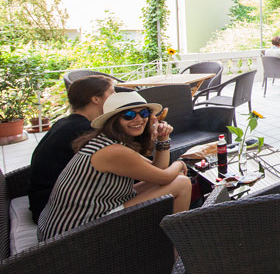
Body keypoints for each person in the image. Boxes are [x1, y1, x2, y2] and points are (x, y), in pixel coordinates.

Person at [37, 92, 192, 241]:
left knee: (175, 178)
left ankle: (164, 238)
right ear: (113, 120)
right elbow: (164, 176)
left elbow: (159, 170)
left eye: (143, 113)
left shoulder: (108, 142)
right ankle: (174, 249)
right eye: (129, 115)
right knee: (182, 183)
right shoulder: (113, 151)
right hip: (73, 233)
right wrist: (179, 163)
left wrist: (163, 139)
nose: (139, 119)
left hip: (79, 218)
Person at [28, 75, 116, 223]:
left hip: (42, 199)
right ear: (96, 99)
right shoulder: (85, 130)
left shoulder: (64, 123)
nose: (116, 96)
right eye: (112, 92)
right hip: (54, 209)